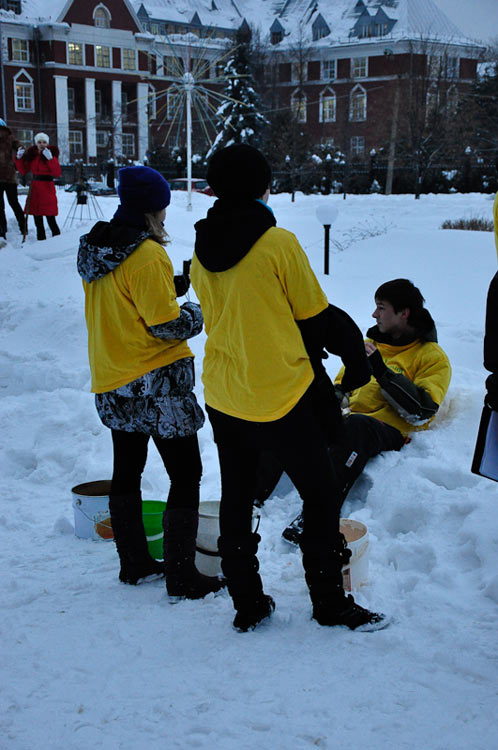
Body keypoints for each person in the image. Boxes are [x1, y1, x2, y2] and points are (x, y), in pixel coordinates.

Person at [191, 143, 387, 632]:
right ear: (262, 186)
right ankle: (330, 604)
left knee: (237, 496)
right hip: (280, 392)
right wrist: (353, 360)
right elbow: (316, 318)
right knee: (320, 496)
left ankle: (248, 603)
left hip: (224, 391)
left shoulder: (200, 245)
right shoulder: (277, 243)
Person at [77, 165, 224, 600]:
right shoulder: (146, 255)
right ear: (152, 209)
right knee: (187, 472)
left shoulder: (97, 247)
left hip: (112, 377)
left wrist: (168, 285)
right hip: (154, 382)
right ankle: (183, 576)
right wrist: (196, 312)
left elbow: (127, 298)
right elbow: (164, 326)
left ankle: (135, 563)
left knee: (128, 469)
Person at [281, 278, 452, 544]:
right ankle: (256, 498)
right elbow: (342, 382)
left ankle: (316, 517)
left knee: (356, 427)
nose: (374, 314)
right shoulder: (371, 342)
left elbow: (422, 409)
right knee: (291, 412)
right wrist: (331, 398)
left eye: (381, 308)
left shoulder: (431, 357)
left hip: (389, 429)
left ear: (403, 313)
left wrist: (381, 371)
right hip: (353, 418)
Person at [14, 132, 61, 241]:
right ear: (36, 143)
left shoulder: (51, 155)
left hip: (47, 188)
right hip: (35, 188)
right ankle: (41, 241)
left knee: (50, 217)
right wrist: (19, 158)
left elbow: (57, 172)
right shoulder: (32, 156)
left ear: (47, 143)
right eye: (39, 142)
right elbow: (23, 170)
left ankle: (58, 240)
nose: (42, 144)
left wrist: (50, 160)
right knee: (37, 217)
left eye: (44, 142)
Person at [0, 118, 25, 243]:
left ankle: (1, 231)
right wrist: (20, 151)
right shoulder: (10, 137)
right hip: (10, 176)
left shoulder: (10, 138)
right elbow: (20, 146)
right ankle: (23, 227)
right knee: (14, 203)